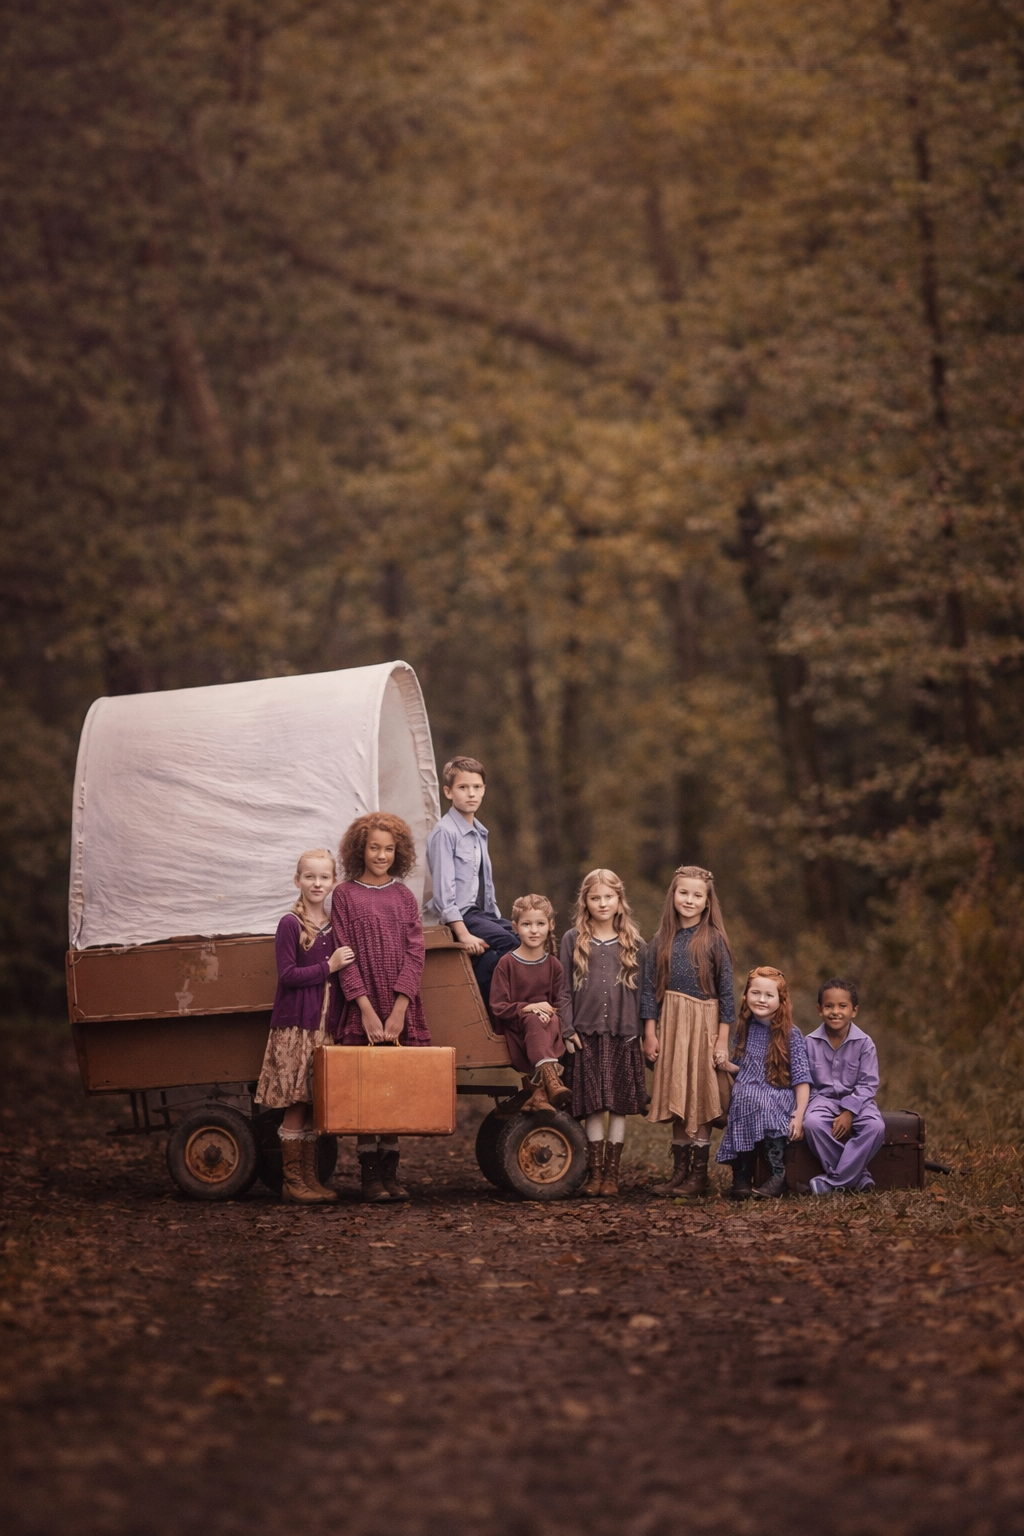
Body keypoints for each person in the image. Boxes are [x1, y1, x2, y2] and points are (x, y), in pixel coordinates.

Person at [332, 812, 430, 1204]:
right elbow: (344, 955)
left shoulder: (404, 896)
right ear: (361, 848)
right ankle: (370, 1178)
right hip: (364, 1004)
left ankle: (391, 1173)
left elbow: (416, 951)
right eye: (374, 847)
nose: (381, 855)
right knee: (365, 1090)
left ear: (399, 852)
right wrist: (367, 1011)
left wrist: (400, 1008)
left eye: (389, 849)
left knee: (393, 1088)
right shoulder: (344, 894)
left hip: (399, 1005)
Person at [255, 850, 354, 1204]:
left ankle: (310, 1181)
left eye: (324, 877)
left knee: (314, 1105)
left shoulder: (334, 926)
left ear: (334, 882)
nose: (317, 883)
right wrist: (329, 966)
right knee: (297, 1103)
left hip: (325, 1030)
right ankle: (292, 1182)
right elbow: (288, 975)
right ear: (297, 881)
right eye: (309, 877)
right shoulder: (290, 924)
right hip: (297, 1028)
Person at [642, 865, 735, 1198]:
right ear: (673, 895)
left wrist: (722, 1040)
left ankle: (698, 1176)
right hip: (671, 1023)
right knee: (678, 1096)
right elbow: (649, 991)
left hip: (704, 1024)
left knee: (700, 1095)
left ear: (707, 901)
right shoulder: (660, 939)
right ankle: (679, 1174)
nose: (689, 900)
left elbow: (727, 994)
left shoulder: (713, 940)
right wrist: (650, 1033)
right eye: (683, 893)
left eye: (697, 895)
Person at [559, 869, 648, 1198]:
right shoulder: (573, 939)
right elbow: (564, 991)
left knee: (618, 1106)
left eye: (608, 897)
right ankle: (594, 1174)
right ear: (585, 901)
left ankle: (612, 1175)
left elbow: (644, 994)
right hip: (586, 1036)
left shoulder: (635, 944)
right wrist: (567, 1028)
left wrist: (641, 1031)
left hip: (622, 1036)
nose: (602, 903)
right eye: (595, 898)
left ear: (620, 900)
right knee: (594, 1106)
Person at [425, 756, 517, 1008]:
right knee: (510, 945)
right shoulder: (445, 832)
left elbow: (485, 886)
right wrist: (463, 934)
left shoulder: (479, 831)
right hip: (462, 915)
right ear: (448, 791)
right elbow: (444, 892)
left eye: (477, 787)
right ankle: (486, 1006)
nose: (471, 794)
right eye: (463, 787)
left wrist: (497, 918)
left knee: (524, 939)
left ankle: (496, 993)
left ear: (484, 790)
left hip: (481, 914)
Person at [716, 966, 811, 1200]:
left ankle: (778, 1174)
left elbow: (801, 1079)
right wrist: (726, 1065)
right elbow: (744, 1071)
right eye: (756, 993)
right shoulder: (744, 1028)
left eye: (769, 995)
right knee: (743, 1099)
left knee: (763, 1104)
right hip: (749, 1090)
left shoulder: (791, 1034)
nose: (761, 999)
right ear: (746, 996)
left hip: (778, 1091)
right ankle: (741, 1175)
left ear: (781, 1000)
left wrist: (799, 1114)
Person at [489, 895, 577, 1115]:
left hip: (549, 1027)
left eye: (540, 924)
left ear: (551, 925)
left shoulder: (553, 965)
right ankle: (551, 1081)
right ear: (515, 927)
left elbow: (559, 1002)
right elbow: (498, 1006)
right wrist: (527, 1008)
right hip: (519, 1030)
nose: (534, 930)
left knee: (542, 1019)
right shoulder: (507, 963)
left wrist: (548, 1011)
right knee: (533, 1018)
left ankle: (538, 1093)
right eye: (527, 924)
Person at [802, 978, 885, 1194]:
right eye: (829, 1006)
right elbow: (805, 1082)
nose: (835, 1012)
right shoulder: (809, 1042)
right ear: (819, 1010)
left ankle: (833, 1183)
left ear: (854, 1011)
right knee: (812, 1124)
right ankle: (859, 1177)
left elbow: (868, 1083)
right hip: (822, 1100)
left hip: (859, 1101)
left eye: (842, 1006)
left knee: (876, 1127)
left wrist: (849, 1111)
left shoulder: (864, 1043)